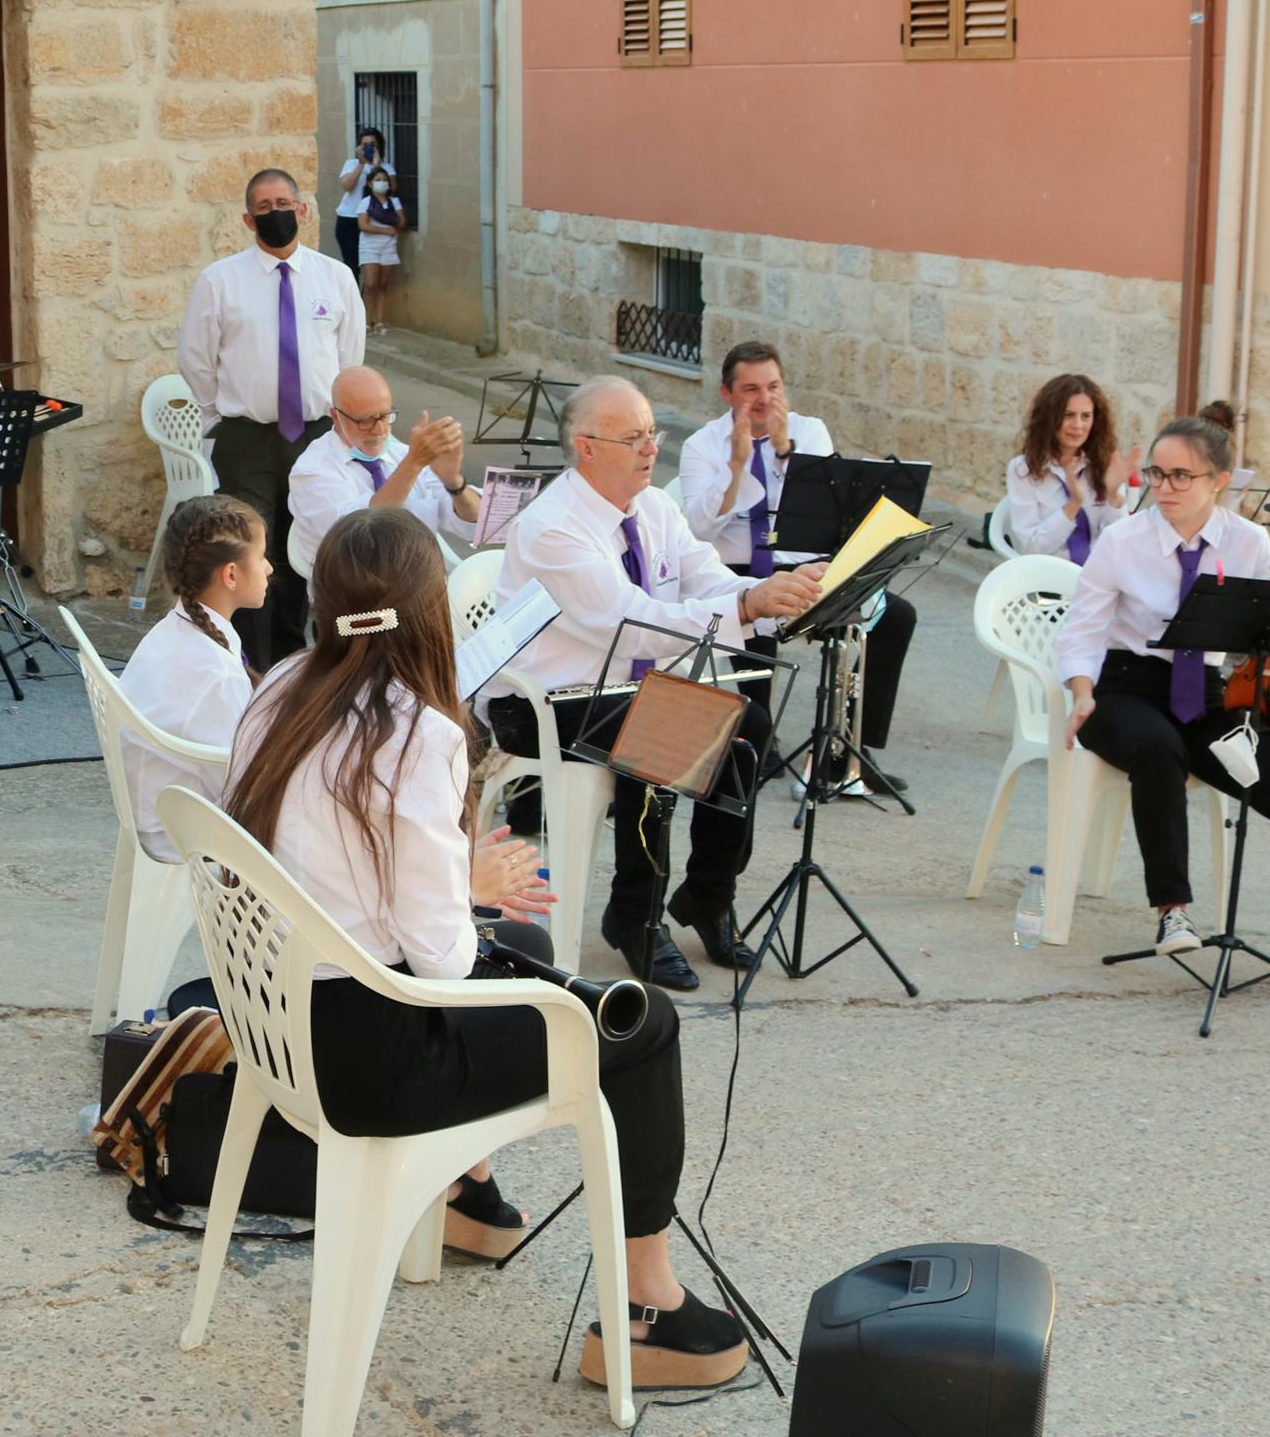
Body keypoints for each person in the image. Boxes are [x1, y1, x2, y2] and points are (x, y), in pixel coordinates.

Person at [223, 506, 747, 1389]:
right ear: (430, 611)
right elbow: (441, 963)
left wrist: (469, 888)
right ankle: (649, 1306)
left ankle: (464, 1193)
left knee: (530, 936)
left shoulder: (279, 687)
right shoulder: (418, 733)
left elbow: (332, 860)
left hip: (279, 1023)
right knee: (640, 1024)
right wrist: (469, 888)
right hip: (375, 1058)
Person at [488, 379, 822, 991]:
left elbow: (708, 579)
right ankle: (633, 915)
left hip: (622, 691)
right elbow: (631, 624)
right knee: (657, 737)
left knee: (749, 726)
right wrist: (747, 607)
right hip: (543, 702)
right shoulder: (552, 528)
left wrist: (783, 594)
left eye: (652, 434)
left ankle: (707, 896)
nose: (649, 448)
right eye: (633, 437)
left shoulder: (654, 507)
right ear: (586, 447)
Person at [1053, 408, 1270, 999]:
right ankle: (1173, 911)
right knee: (1157, 749)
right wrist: (1080, 695)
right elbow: (1081, 631)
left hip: (1205, 701)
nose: (1166, 487)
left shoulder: (1247, 540)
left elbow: (1256, 637)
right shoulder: (1122, 540)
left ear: (1219, 481)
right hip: (1122, 690)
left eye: (1182, 476)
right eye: (1157, 474)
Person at [673, 340, 917, 791]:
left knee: (895, 616)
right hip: (739, 569)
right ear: (727, 394)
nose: (764, 399)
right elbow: (697, 529)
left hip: (805, 564)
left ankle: (852, 752)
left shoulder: (810, 430)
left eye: (773, 386)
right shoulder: (701, 445)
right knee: (752, 614)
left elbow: (827, 507)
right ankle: (759, 744)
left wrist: (787, 452)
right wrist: (736, 467)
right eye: (750, 390)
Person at [177, 168, 367, 666]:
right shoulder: (220, 280)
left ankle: (299, 656)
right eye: (263, 207)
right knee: (249, 548)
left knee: (309, 543)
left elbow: (351, 358)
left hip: (317, 434)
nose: (275, 213)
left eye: (284, 203)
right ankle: (252, 662)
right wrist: (222, 411)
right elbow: (195, 357)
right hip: (248, 438)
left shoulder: (336, 278)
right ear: (248, 219)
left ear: (302, 210)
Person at [117, 494, 266, 862]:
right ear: (231, 574)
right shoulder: (215, 673)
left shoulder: (175, 631)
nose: (269, 569)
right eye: (261, 557)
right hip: (180, 835)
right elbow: (239, 787)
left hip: (159, 815)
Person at [285, 364, 476, 606]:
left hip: (421, 594)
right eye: (365, 421)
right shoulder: (312, 470)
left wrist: (454, 482)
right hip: (352, 603)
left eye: (385, 416)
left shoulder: (401, 454)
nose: (379, 430)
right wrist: (413, 463)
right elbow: (358, 538)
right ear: (336, 416)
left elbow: (473, 525)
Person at [1003, 372, 1137, 564]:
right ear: (1049, 418)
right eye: (1068, 415)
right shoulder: (1023, 469)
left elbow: (1119, 541)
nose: (1078, 425)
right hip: (1048, 576)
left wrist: (1114, 496)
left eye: (1086, 416)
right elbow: (1032, 547)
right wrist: (1073, 504)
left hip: (1098, 574)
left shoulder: (1105, 464)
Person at [352, 164, 405, 322]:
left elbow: (401, 222)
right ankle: (367, 321)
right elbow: (363, 225)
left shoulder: (394, 202)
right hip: (370, 247)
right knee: (370, 284)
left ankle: (380, 320)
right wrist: (386, 230)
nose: (382, 183)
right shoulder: (365, 202)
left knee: (383, 284)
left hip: (388, 247)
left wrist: (393, 222)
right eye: (378, 180)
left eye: (385, 180)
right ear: (370, 183)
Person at [333, 126, 385, 264]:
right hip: (349, 218)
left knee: (371, 265)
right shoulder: (351, 164)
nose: (369, 148)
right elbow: (347, 186)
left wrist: (376, 166)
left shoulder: (385, 168)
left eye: (373, 145)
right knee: (352, 263)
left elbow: (384, 191)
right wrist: (361, 164)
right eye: (365, 145)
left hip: (373, 221)